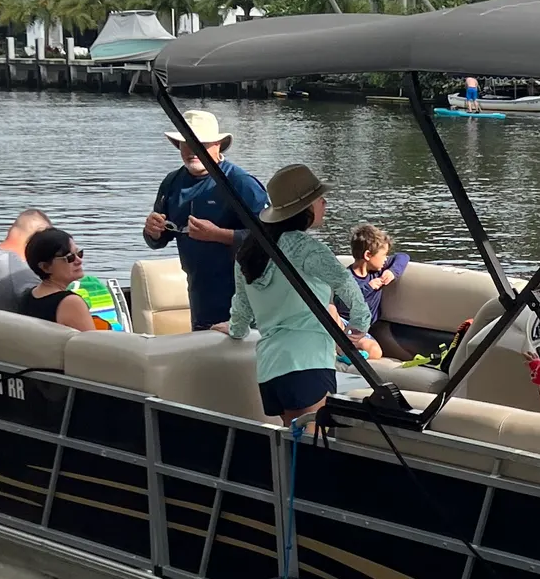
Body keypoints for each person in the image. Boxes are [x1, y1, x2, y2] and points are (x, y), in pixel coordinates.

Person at [228, 163, 375, 432]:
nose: (325, 203)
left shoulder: (249, 252)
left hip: (271, 369)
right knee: (312, 451)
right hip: (307, 362)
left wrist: (232, 331)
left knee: (294, 448)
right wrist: (360, 324)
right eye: (319, 199)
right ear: (304, 208)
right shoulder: (308, 248)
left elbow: (240, 314)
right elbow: (346, 284)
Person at [143, 111, 270, 333]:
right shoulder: (172, 183)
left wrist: (219, 235)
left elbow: (272, 238)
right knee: (206, 357)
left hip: (246, 295)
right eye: (186, 143)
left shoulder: (241, 183)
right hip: (200, 294)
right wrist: (152, 231)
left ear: (218, 145)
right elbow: (160, 238)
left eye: (200, 143)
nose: (192, 150)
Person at [18, 227, 95, 332]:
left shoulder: (26, 297)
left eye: (79, 253)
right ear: (45, 267)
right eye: (70, 258)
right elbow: (92, 346)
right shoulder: (71, 303)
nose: (79, 260)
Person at [349, 222, 411, 322]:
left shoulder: (378, 269)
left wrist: (392, 272)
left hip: (370, 327)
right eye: (384, 255)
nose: (386, 259)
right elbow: (343, 303)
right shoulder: (347, 278)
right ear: (368, 255)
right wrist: (368, 288)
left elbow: (403, 256)